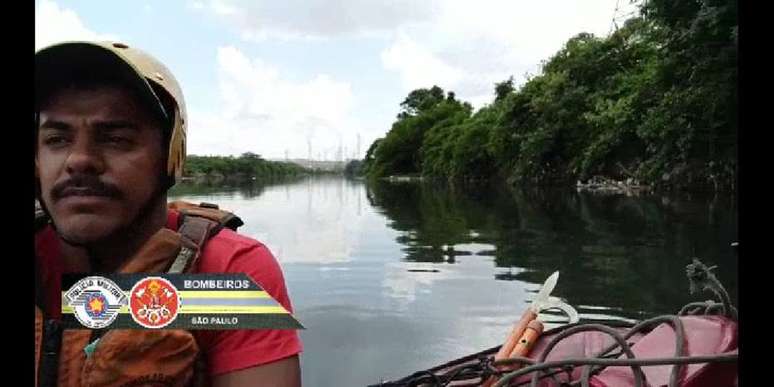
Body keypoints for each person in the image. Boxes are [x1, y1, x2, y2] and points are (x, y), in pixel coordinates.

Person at [34, 41, 302, 387]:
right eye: (57, 140)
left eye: (116, 138)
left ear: (171, 158)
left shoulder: (222, 277)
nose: (79, 160)